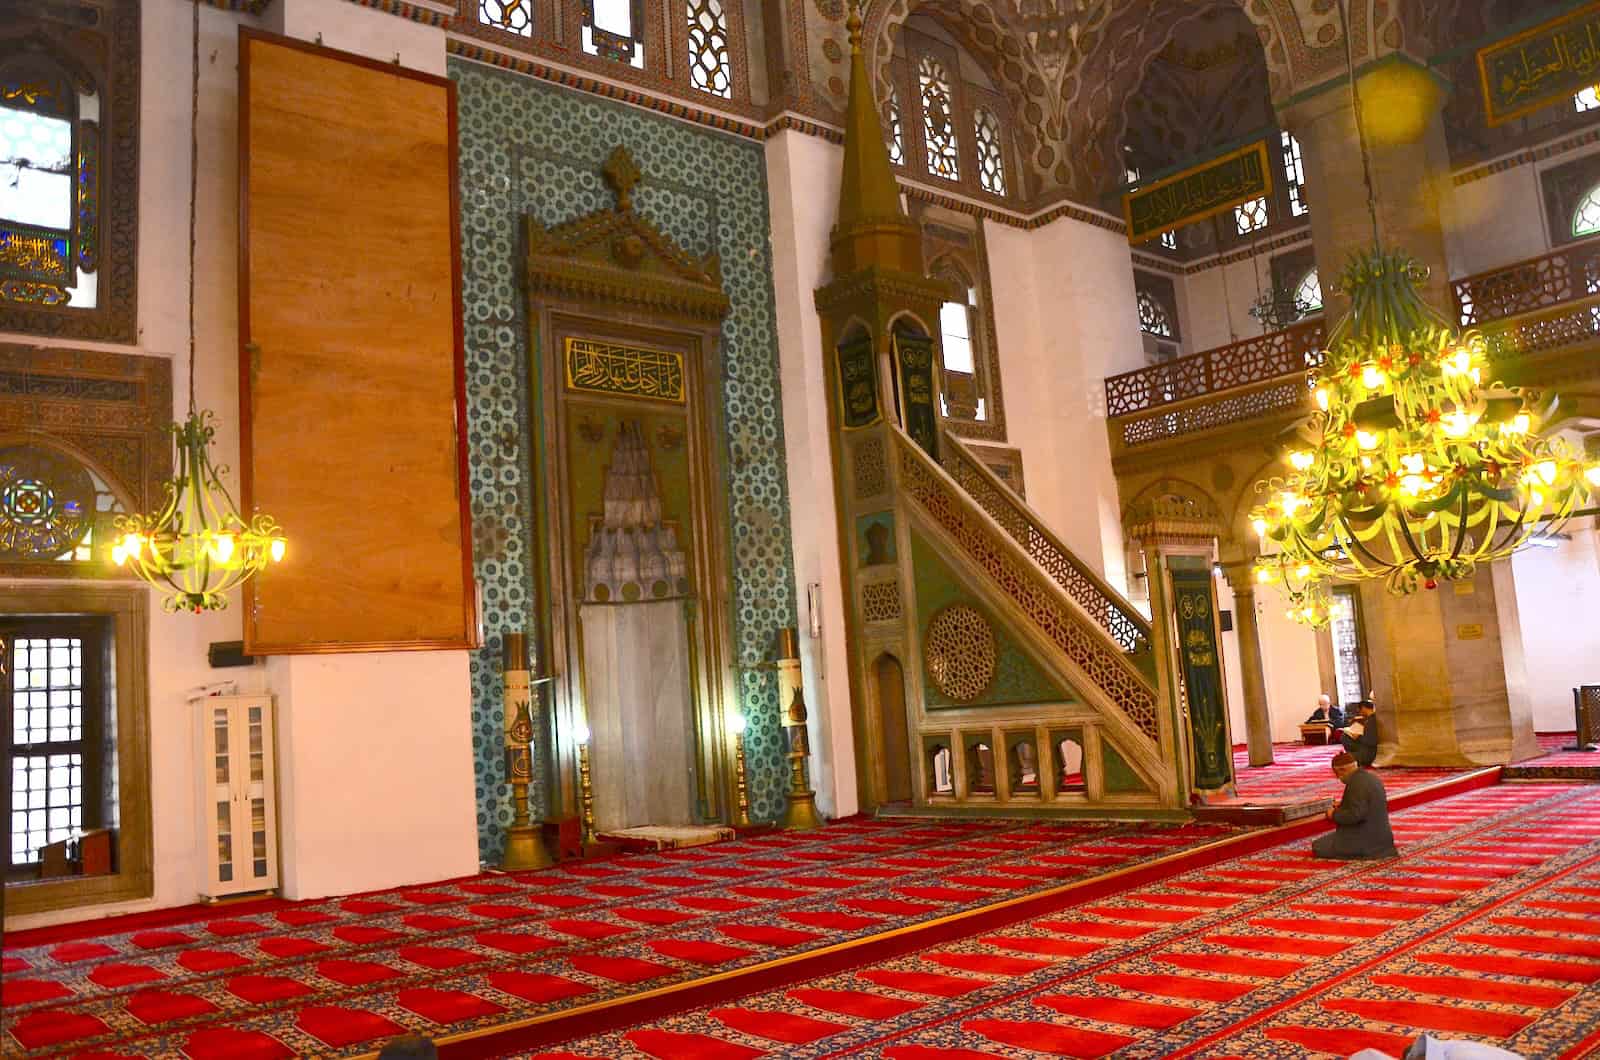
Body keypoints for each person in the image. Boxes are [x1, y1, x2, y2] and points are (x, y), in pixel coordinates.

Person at [1312, 750, 1396, 860]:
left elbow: (1354, 816)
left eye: (1338, 774)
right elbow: (1365, 805)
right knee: (1326, 841)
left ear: (1343, 770)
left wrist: (1333, 815)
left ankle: (1359, 852)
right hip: (1383, 839)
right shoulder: (1370, 778)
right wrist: (1344, 804)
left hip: (1366, 841)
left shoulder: (1356, 784)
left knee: (1318, 846)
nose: (1339, 778)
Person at [1336, 699, 1378, 766]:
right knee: (1344, 736)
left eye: (1360, 710)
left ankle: (1353, 755)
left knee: (1343, 758)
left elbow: (1370, 742)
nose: (1360, 713)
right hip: (1365, 748)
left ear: (1364, 708)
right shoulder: (1371, 719)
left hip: (1369, 753)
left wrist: (1358, 736)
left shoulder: (1372, 720)